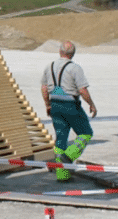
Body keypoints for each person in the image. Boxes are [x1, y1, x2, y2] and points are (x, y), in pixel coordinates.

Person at [41, 41, 97, 181]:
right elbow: (82, 90)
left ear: (60, 52)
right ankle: (69, 156)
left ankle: (62, 176)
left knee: (61, 139)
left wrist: (48, 105)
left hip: (55, 105)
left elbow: (44, 88)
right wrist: (91, 104)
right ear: (72, 54)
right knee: (85, 133)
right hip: (71, 105)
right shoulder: (74, 68)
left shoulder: (50, 66)